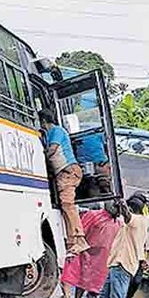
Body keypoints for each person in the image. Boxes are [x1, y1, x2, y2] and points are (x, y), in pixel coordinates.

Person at [83, 192, 149, 298]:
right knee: (105, 296)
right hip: (116, 262)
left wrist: (121, 203)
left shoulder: (140, 221)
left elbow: (128, 216)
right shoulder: (138, 220)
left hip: (123, 264)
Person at [60, 200, 124, 298]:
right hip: (88, 255)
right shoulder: (94, 215)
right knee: (81, 284)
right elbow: (81, 231)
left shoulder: (119, 224)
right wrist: (78, 249)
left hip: (103, 260)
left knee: (94, 289)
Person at [39, 108, 87, 255]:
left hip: (68, 170)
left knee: (67, 204)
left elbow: (52, 150)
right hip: (63, 172)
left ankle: (80, 240)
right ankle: (72, 241)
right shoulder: (50, 133)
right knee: (64, 205)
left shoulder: (57, 131)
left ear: (44, 121)